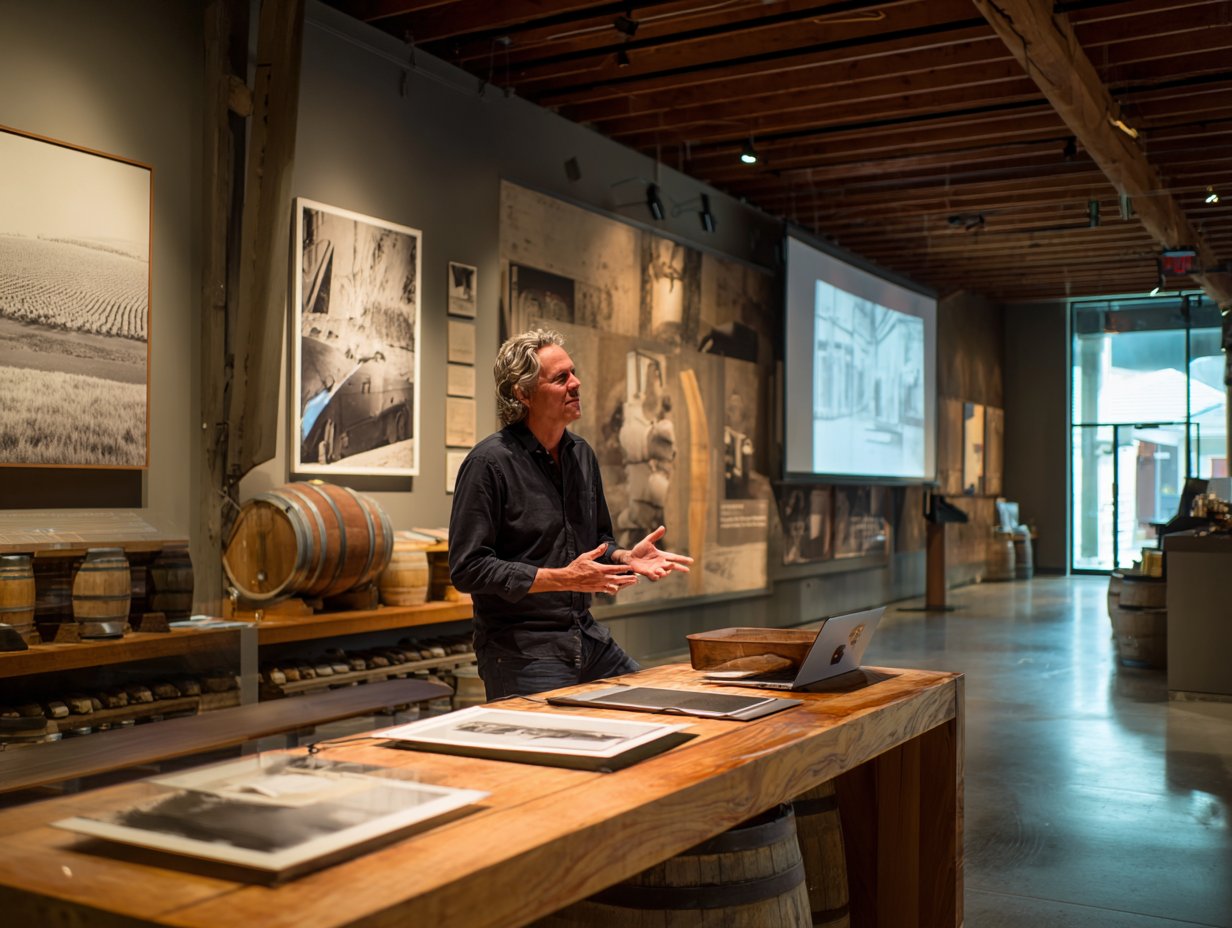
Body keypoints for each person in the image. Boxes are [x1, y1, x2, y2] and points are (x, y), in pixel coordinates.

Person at [449, 329, 692, 700]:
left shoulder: (581, 454)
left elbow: (598, 541)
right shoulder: (489, 463)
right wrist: (563, 578)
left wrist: (624, 556)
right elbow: (468, 568)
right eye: (561, 378)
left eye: (573, 373)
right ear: (523, 393)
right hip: (522, 649)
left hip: (586, 636)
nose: (576, 384)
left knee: (660, 705)